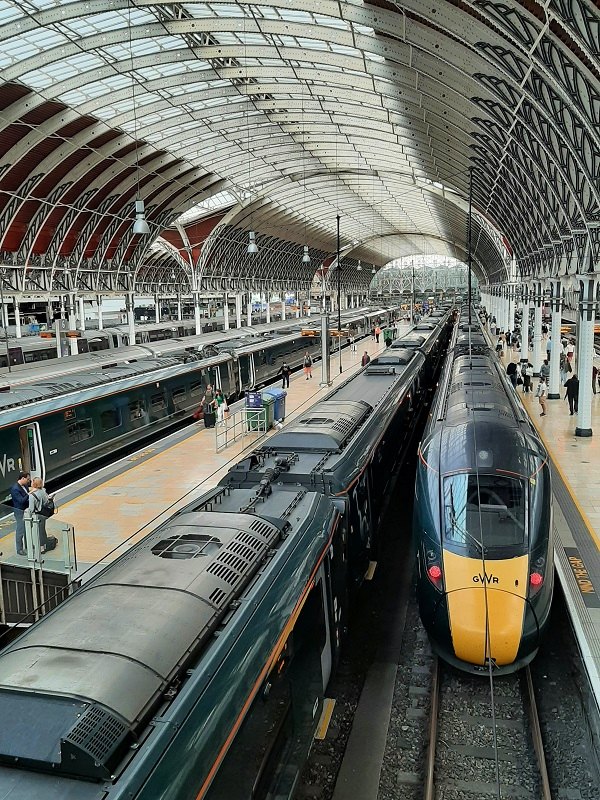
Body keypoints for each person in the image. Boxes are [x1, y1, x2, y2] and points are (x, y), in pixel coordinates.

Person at [28, 477, 57, 553]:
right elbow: (47, 500)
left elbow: (31, 509)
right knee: (42, 530)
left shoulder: (32, 496)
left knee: (39, 532)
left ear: (34, 483)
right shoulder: (43, 491)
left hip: (37, 515)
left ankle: (42, 548)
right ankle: (44, 545)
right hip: (44, 514)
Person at [10, 471, 30, 555]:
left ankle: (27, 545)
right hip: (19, 512)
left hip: (26, 511)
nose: (28, 481)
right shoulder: (15, 489)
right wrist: (29, 494)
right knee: (20, 530)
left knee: (26, 529)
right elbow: (21, 501)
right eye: (27, 479)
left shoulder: (25, 485)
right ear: (22, 478)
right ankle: (19, 549)